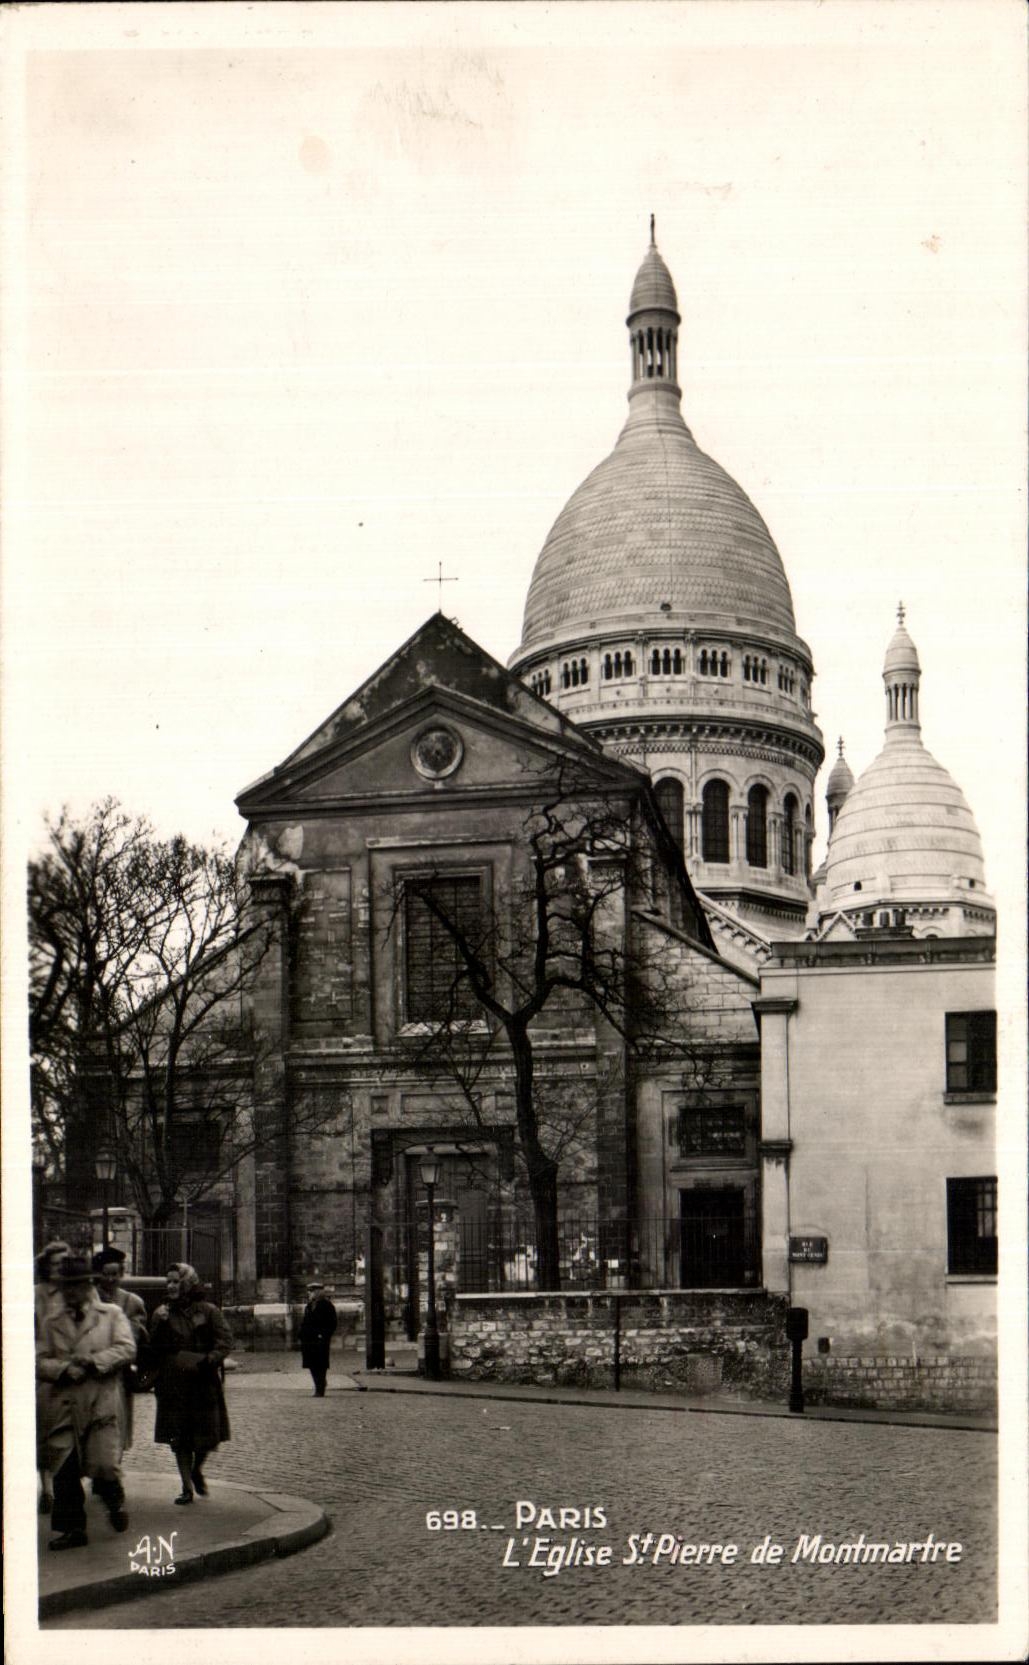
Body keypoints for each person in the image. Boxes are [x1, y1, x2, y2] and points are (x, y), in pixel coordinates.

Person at [35, 1252, 135, 1550]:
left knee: (104, 1465)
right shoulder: (52, 1322)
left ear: (87, 1285)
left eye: (76, 1286)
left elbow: (126, 1349)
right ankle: (72, 1529)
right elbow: (37, 1360)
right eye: (65, 1286)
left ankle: (113, 1501)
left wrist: (93, 1362)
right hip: (64, 1403)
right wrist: (64, 1368)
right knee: (64, 1468)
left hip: (99, 1401)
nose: (70, 1293)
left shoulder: (111, 1315)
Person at [149, 1262, 232, 1504]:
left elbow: (225, 1341)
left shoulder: (208, 1311)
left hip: (203, 1381)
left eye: (176, 1281)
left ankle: (197, 1470)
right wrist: (156, 1322)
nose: (171, 1286)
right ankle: (186, 1486)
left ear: (187, 1283)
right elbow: (153, 1348)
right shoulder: (163, 1313)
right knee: (179, 1438)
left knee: (207, 1434)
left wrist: (209, 1360)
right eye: (169, 1281)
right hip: (174, 1383)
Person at [92, 1246, 148, 1449]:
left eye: (115, 1274)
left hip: (119, 1376)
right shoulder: (89, 1298)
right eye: (105, 1274)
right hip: (92, 1375)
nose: (110, 1279)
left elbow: (132, 1340)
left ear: (121, 1274)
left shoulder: (131, 1302)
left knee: (117, 1428)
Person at [34, 1240, 71, 1514]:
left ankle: (65, 1485)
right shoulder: (35, 1294)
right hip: (43, 1371)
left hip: (70, 1368)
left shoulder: (75, 1291)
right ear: (46, 1266)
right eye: (56, 1263)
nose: (60, 1269)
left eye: (64, 1263)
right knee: (45, 1431)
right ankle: (47, 1487)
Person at [299, 1282, 338, 1397]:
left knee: (320, 1364)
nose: (309, 1293)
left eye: (311, 1291)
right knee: (311, 1364)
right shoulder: (309, 1306)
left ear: (318, 1292)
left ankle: (320, 1388)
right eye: (309, 1291)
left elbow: (332, 1323)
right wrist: (301, 1335)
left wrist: (324, 1335)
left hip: (320, 1339)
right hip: (308, 1340)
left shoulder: (327, 1305)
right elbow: (305, 1322)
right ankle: (319, 1384)